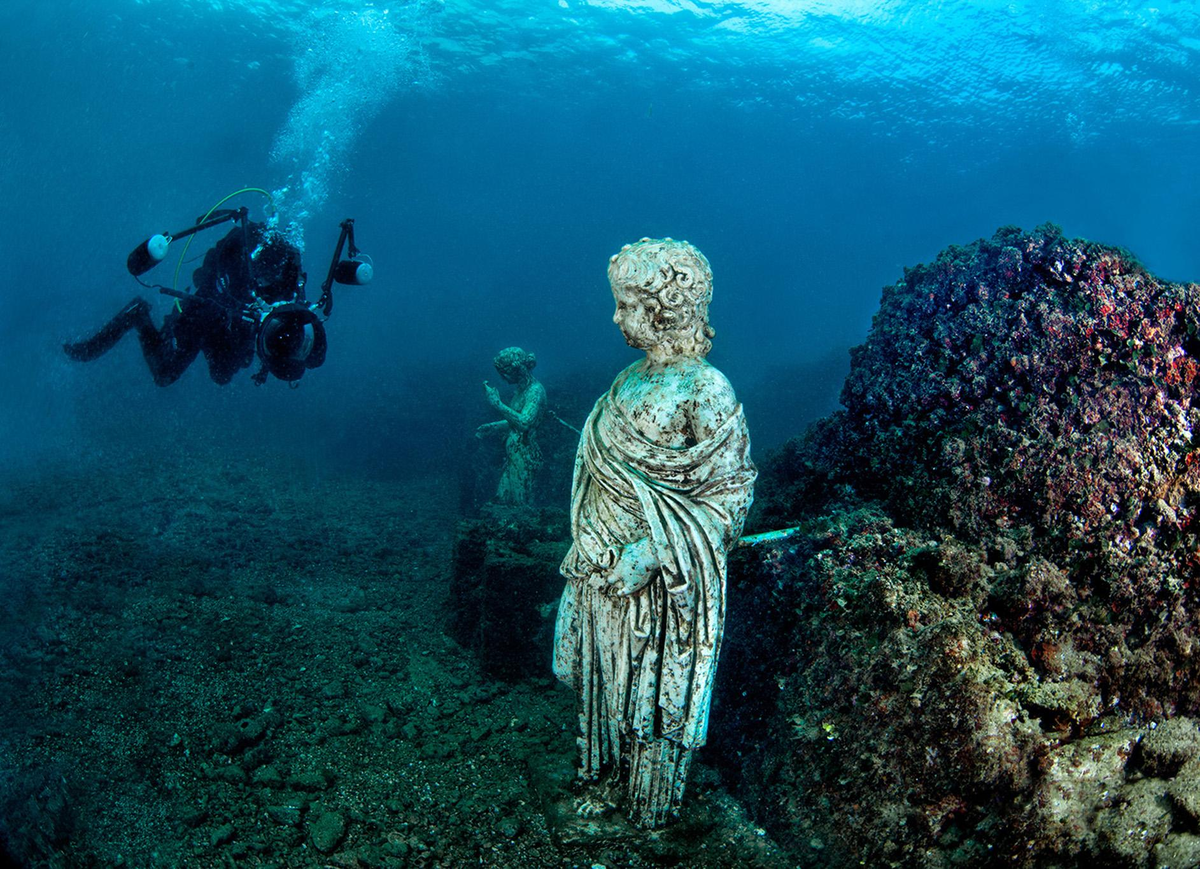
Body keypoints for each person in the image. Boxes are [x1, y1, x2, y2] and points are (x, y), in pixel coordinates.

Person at [551, 237, 757, 829]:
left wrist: (651, 552)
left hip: (659, 582)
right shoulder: (627, 380)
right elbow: (599, 471)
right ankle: (603, 779)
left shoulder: (706, 389)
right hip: (599, 565)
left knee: (645, 691)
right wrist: (588, 540)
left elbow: (730, 496)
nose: (615, 318)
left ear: (666, 307)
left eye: (625, 305)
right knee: (599, 679)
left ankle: (648, 806)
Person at [63, 221, 315, 385]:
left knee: (221, 375)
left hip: (235, 331)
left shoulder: (291, 284)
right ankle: (137, 314)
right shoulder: (242, 259)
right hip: (206, 314)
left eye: (272, 272)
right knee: (164, 374)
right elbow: (211, 272)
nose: (267, 276)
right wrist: (223, 303)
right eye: (264, 270)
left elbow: (293, 324)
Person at [475, 346, 547, 506]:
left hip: (525, 457)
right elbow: (515, 420)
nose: (503, 378)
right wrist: (493, 426)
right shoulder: (521, 391)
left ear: (516, 370)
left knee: (523, 505)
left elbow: (525, 423)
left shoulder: (535, 391)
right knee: (502, 501)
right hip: (514, 456)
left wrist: (497, 404)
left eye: (504, 373)